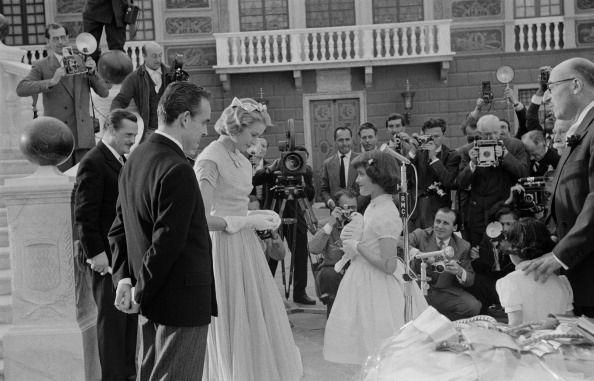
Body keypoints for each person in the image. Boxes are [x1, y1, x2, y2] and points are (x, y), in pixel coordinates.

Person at [108, 82, 216, 380]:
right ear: (184, 118)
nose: (206, 131)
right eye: (203, 121)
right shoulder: (178, 168)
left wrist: (125, 281)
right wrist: (139, 292)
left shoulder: (135, 158)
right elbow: (166, 244)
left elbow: (118, 227)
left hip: (151, 301)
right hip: (180, 305)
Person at [195, 97, 303, 380]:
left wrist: (261, 216)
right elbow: (200, 219)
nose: (256, 143)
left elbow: (240, 202)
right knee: (232, 313)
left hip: (245, 244)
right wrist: (245, 220)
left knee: (254, 312)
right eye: (253, 135)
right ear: (235, 128)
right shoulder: (210, 158)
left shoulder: (243, 160)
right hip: (221, 246)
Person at [324, 150, 427, 365]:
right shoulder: (373, 205)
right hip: (363, 278)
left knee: (381, 344)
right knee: (365, 346)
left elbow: (389, 265)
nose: (357, 180)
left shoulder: (385, 213)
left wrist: (358, 246)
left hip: (379, 285)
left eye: (361, 174)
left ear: (377, 176)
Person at [521, 57, 594, 318]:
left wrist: (560, 256)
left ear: (575, 85)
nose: (548, 98)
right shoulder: (583, 130)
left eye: (551, 88)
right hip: (580, 277)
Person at [74, 109, 138, 381]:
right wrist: (96, 253)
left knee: (127, 323)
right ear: (110, 130)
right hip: (105, 261)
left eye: (134, 136)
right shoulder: (94, 162)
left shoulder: (120, 160)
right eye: (127, 135)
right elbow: (84, 213)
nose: (132, 141)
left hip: (123, 257)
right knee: (112, 326)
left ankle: (127, 376)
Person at [16, 23, 110, 170]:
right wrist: (52, 81)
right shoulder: (41, 65)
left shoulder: (83, 61)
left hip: (83, 136)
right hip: (56, 137)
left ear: (67, 38)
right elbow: (21, 88)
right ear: (48, 41)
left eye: (62, 37)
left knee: (87, 182)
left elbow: (104, 93)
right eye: (55, 39)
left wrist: (93, 73)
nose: (60, 42)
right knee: (63, 183)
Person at [456, 114, 529, 245]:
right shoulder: (469, 150)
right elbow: (460, 182)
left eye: (494, 133)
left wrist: (506, 156)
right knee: (480, 258)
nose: (490, 138)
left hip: (504, 212)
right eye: (485, 135)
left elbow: (523, 174)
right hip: (479, 214)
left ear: (500, 130)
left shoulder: (514, 146)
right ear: (479, 133)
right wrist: (472, 163)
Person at [496, 218, 573, 325]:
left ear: (513, 251)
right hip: (557, 339)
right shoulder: (561, 282)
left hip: (528, 340)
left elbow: (515, 324)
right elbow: (570, 320)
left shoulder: (510, 282)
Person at [408, 208, 481, 320]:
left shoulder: (463, 246)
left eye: (445, 223)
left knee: (473, 306)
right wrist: (417, 253)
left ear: (455, 227)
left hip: (443, 292)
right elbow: (399, 242)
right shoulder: (420, 235)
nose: (440, 226)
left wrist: (460, 271)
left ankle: (439, 322)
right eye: (438, 221)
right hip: (417, 289)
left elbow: (470, 280)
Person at [308, 189, 359, 316]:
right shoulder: (326, 224)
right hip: (333, 272)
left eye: (354, 208)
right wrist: (331, 223)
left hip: (357, 269)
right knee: (330, 274)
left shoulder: (363, 222)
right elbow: (313, 248)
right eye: (346, 208)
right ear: (337, 208)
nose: (350, 212)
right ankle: (334, 319)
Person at [111, 41, 170, 142]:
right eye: (154, 56)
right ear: (144, 56)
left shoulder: (171, 73)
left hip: (170, 130)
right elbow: (120, 100)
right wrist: (114, 118)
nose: (158, 60)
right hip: (148, 132)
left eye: (160, 55)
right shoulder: (133, 78)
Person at [408, 118, 460, 229]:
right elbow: (404, 176)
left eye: (436, 136)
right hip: (416, 210)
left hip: (437, 211)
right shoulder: (418, 153)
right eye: (429, 137)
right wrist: (412, 152)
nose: (433, 140)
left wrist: (433, 157)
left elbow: (449, 181)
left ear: (443, 135)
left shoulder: (452, 155)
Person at [468, 206, 518, 315]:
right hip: (494, 281)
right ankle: (485, 312)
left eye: (509, 224)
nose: (504, 228)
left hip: (514, 283)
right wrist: (475, 257)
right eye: (502, 224)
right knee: (474, 279)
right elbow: (482, 268)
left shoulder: (521, 237)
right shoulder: (491, 234)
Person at [320, 126, 359, 210]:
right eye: (340, 140)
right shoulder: (327, 164)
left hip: (357, 211)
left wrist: (355, 205)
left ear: (352, 140)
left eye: (347, 139)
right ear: (335, 141)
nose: (344, 143)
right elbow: (324, 190)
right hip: (336, 211)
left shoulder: (360, 160)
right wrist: (329, 201)